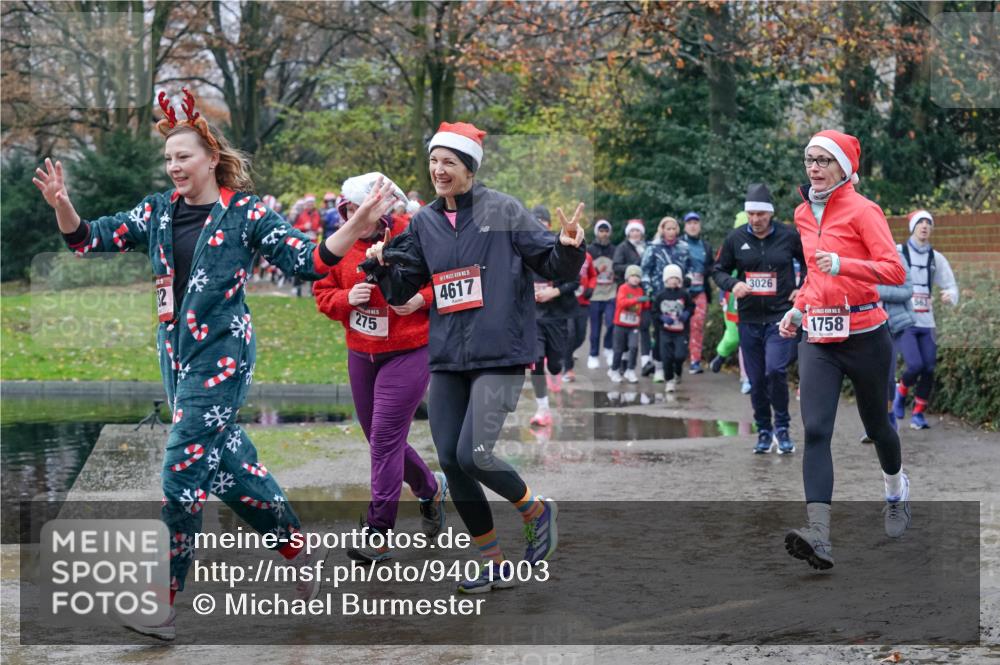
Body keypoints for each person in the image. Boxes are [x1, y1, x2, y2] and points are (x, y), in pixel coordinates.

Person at [33, 88, 399, 639]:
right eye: (168, 159)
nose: (174, 166)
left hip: (223, 358)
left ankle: (162, 600)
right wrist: (63, 203)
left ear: (209, 157)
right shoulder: (156, 212)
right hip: (177, 361)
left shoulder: (247, 213)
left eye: (182, 156)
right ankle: (296, 545)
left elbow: (306, 261)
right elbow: (89, 240)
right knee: (232, 468)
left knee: (180, 472)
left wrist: (358, 223)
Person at [362, 121, 586, 593]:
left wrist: (569, 248)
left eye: (449, 162)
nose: (438, 170)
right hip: (448, 355)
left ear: (469, 168)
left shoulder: (502, 208)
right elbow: (405, 287)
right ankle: (496, 561)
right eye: (434, 161)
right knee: (450, 458)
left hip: (500, 352)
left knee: (474, 453)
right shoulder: (423, 222)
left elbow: (547, 261)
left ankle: (536, 510)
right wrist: (383, 265)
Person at [778, 129, 909, 571]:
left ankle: (895, 491)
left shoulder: (863, 210)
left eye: (823, 160)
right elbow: (817, 277)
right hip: (819, 335)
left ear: (843, 167)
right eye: (808, 160)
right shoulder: (800, 213)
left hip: (867, 334)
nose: (813, 168)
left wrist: (845, 263)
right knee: (815, 430)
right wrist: (798, 309)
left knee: (878, 425)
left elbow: (895, 271)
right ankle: (819, 534)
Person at [313, 172, 447, 563]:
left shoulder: (414, 234)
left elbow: (446, 280)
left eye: (360, 209)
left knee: (385, 437)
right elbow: (322, 293)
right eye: (348, 210)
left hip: (409, 349)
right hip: (361, 353)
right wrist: (344, 299)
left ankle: (379, 532)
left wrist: (420, 300)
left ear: (383, 209)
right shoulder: (340, 242)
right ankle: (431, 488)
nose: (353, 217)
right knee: (379, 439)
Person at [713, 184, 804, 455]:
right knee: (756, 379)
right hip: (749, 318)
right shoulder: (735, 238)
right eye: (751, 214)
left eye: (761, 215)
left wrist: (803, 287)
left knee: (775, 370)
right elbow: (718, 270)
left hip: (780, 316)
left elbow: (810, 263)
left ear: (771, 214)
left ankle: (783, 429)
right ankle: (764, 431)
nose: (756, 220)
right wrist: (732, 284)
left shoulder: (789, 236)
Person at [892, 210, 959, 430]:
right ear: (912, 227)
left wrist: (951, 296)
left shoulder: (936, 258)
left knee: (929, 367)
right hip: (906, 320)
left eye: (928, 223)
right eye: (920, 223)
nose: (924, 227)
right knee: (915, 365)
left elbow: (950, 285)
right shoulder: (898, 251)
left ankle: (918, 414)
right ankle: (900, 393)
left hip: (927, 321)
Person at [529, 204, 580, 421]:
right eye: (534, 223)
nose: (538, 228)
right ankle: (542, 409)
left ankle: (557, 370)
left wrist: (554, 291)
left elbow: (574, 281)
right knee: (536, 359)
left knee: (555, 361)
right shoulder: (523, 249)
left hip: (557, 315)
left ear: (549, 225)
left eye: (542, 223)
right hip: (534, 317)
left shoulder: (558, 246)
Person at [861, 245, 915, 443]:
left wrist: (875, 290)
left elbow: (907, 290)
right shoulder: (854, 254)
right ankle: (874, 424)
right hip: (861, 325)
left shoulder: (896, 255)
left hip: (890, 325)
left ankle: (889, 422)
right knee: (866, 377)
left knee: (887, 374)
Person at [642, 216, 692, 382]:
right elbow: (645, 270)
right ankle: (658, 367)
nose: (671, 232)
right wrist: (649, 289)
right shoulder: (653, 247)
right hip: (659, 295)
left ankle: (676, 367)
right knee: (658, 333)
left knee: (679, 332)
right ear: (662, 230)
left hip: (679, 295)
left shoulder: (684, 247)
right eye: (667, 228)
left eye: (673, 228)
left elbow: (690, 267)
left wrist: (688, 281)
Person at [710, 212, 752, 394]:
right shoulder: (730, 243)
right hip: (732, 297)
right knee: (734, 336)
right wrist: (721, 295)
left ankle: (748, 378)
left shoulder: (767, 241)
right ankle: (721, 355)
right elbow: (721, 271)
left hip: (757, 298)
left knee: (748, 339)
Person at [681, 211, 715, 374]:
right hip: (681, 292)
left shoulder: (705, 246)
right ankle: (675, 358)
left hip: (700, 291)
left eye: (695, 223)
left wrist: (707, 272)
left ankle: (695, 361)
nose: (693, 226)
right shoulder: (679, 243)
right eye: (689, 223)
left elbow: (712, 266)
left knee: (697, 325)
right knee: (678, 325)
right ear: (685, 226)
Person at [653, 264, 695, 393]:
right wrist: (661, 318)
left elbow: (691, 307)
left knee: (680, 355)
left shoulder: (684, 294)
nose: (674, 280)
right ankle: (669, 381)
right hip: (665, 332)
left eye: (676, 278)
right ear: (666, 280)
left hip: (681, 331)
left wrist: (687, 314)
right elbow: (654, 312)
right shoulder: (660, 295)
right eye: (671, 278)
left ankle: (678, 371)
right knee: (666, 357)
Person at [587, 219, 617, 368]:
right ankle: (593, 355)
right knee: (595, 327)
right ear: (597, 232)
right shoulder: (589, 250)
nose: (604, 234)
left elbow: (618, 266)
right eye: (601, 231)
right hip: (595, 294)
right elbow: (584, 270)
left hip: (611, 293)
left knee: (611, 323)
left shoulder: (614, 249)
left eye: (606, 231)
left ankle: (608, 347)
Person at [564, 245, 597, 382]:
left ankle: (566, 354)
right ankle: (567, 368)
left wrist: (591, 287)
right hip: (566, 303)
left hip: (583, 302)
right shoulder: (561, 255)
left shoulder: (587, 257)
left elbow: (593, 275)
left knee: (581, 335)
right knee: (570, 334)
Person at [609, 265, 646, 383]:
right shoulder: (623, 288)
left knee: (634, 347)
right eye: (633, 276)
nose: (635, 278)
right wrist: (637, 300)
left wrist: (648, 300)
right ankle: (614, 370)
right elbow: (621, 303)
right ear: (627, 277)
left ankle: (630, 370)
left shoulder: (640, 290)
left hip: (633, 325)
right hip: (620, 324)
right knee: (618, 349)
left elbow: (643, 306)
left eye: (638, 276)